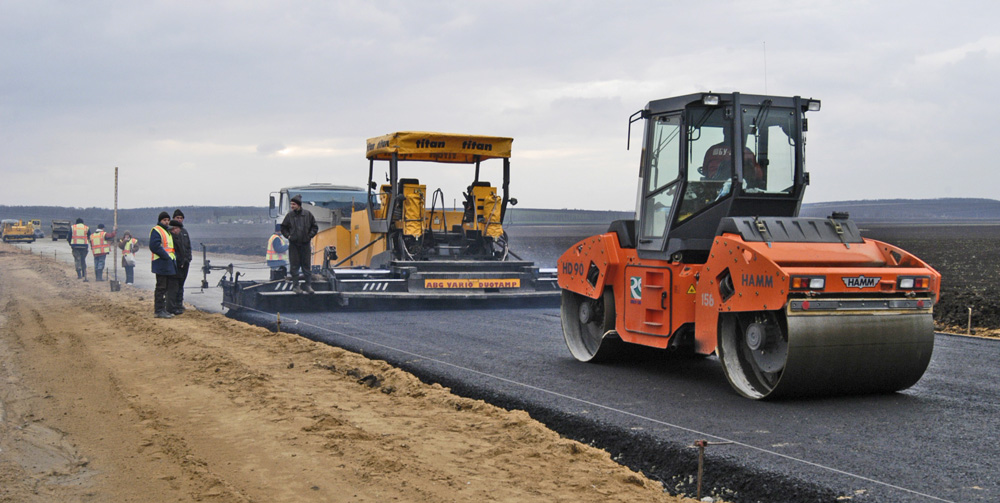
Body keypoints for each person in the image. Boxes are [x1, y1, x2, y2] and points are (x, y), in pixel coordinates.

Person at [280, 194, 318, 294]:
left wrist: (309, 236)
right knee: (294, 266)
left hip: (305, 244)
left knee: (306, 266)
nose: (292, 206)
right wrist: (288, 236)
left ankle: (308, 286)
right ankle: (296, 286)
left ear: (298, 205)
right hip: (294, 245)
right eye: (291, 204)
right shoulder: (289, 216)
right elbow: (283, 228)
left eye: (293, 204)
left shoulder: (308, 215)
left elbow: (315, 227)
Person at [149, 212, 177, 318]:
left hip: (167, 263)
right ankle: (159, 310)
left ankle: (163, 309)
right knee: (161, 287)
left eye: (168, 220)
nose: (166, 222)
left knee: (165, 288)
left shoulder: (167, 231)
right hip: (161, 262)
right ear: (160, 221)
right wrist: (166, 256)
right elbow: (154, 246)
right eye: (164, 220)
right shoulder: (157, 230)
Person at [171, 209, 192, 314]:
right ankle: (173, 304)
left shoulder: (184, 232)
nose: (179, 220)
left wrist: (188, 259)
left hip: (185, 263)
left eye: (181, 218)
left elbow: (188, 247)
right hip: (176, 263)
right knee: (175, 284)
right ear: (173, 218)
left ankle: (179, 303)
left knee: (181, 284)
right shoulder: (171, 231)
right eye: (177, 218)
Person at [68, 218, 90, 282]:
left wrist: (70, 244)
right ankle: (84, 273)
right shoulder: (86, 228)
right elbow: (89, 236)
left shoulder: (73, 227)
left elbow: (69, 237)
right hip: (84, 246)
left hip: (75, 246)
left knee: (77, 259)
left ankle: (79, 274)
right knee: (83, 259)